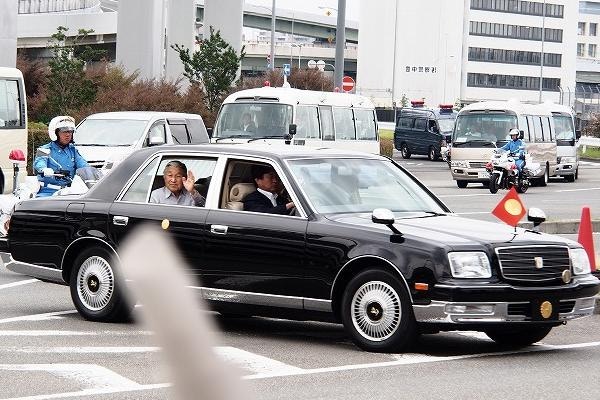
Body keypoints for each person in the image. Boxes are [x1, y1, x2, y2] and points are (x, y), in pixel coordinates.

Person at [33, 116, 89, 197]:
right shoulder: (44, 149)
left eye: (70, 131)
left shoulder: (73, 151)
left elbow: (84, 165)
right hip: (48, 191)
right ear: (55, 133)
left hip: (69, 191)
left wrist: (92, 171)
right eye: (64, 131)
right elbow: (39, 162)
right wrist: (44, 169)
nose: (68, 135)